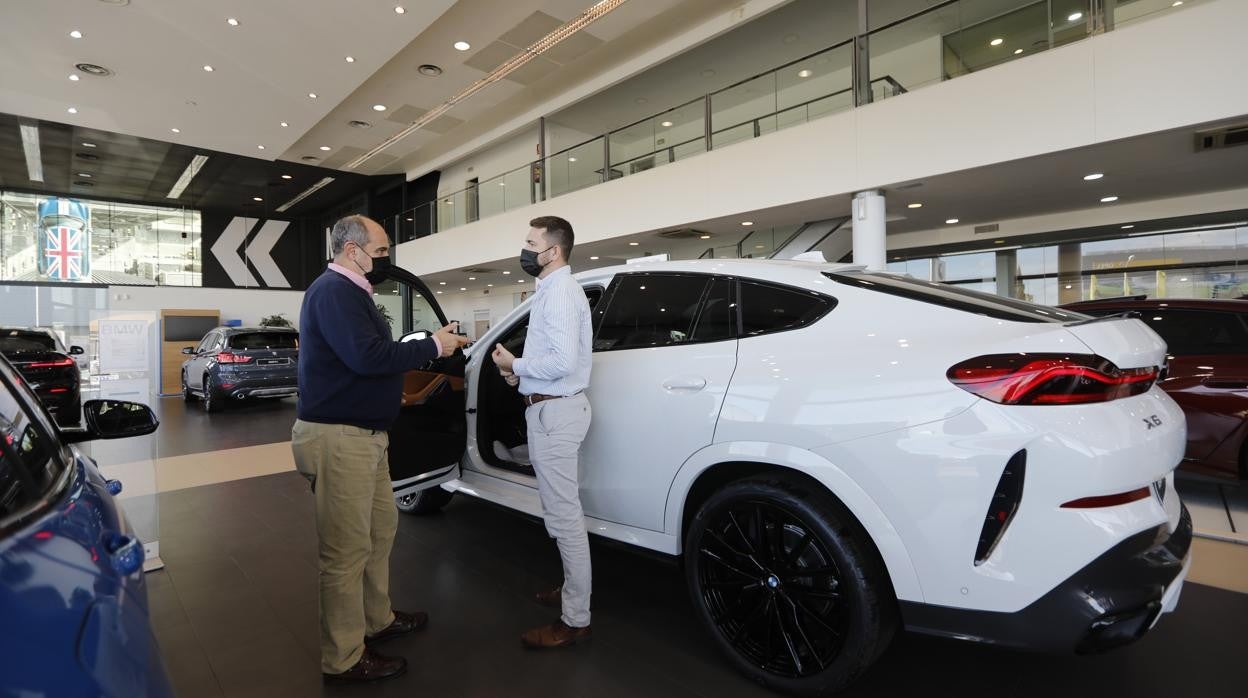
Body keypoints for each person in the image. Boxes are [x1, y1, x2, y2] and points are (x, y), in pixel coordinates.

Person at [292, 214, 469, 683]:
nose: (387, 258)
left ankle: (377, 620)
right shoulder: (334, 293)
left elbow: (368, 355)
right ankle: (345, 657)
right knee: (345, 550)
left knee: (378, 534)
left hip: (363, 436)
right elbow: (367, 357)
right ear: (353, 251)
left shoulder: (352, 294)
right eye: (382, 250)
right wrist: (432, 344)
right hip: (340, 438)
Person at [492, 215, 594, 649]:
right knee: (558, 511)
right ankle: (572, 589)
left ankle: (575, 617)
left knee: (565, 518)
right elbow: (550, 358)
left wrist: (513, 365)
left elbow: (564, 363)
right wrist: (519, 378)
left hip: (557, 415)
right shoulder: (551, 291)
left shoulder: (562, 294)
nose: (526, 249)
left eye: (532, 242)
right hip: (547, 409)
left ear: (553, 251)